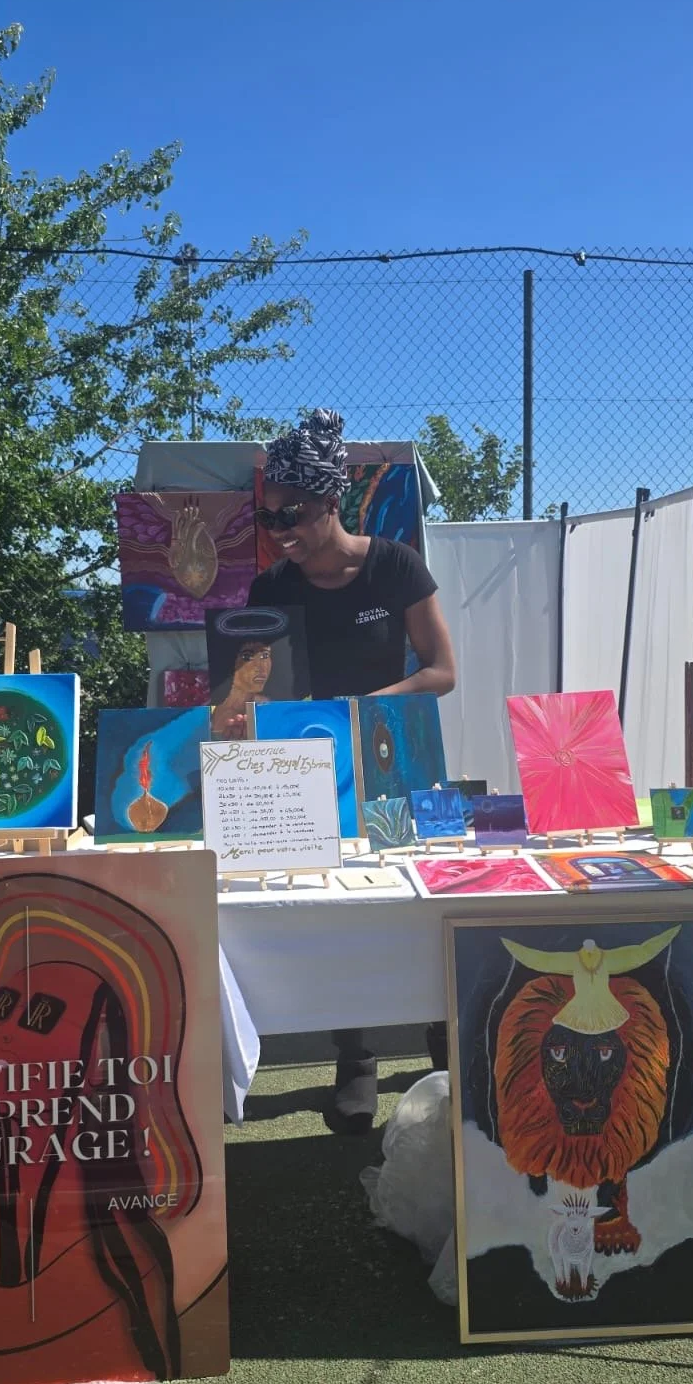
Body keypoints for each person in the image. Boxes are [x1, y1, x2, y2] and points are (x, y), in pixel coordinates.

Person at [247, 407, 457, 1134]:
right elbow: (257, 687)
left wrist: (361, 708)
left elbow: (441, 672)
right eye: (270, 518)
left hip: (398, 754)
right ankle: (355, 1058)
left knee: (419, 903)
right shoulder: (272, 587)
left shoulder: (395, 564)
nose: (281, 532)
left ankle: (442, 1046)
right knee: (337, 913)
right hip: (310, 766)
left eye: (293, 515)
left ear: (331, 503)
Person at [210, 638, 274, 739]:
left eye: (264, 655)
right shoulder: (207, 710)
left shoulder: (270, 708)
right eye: (247, 657)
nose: (260, 667)